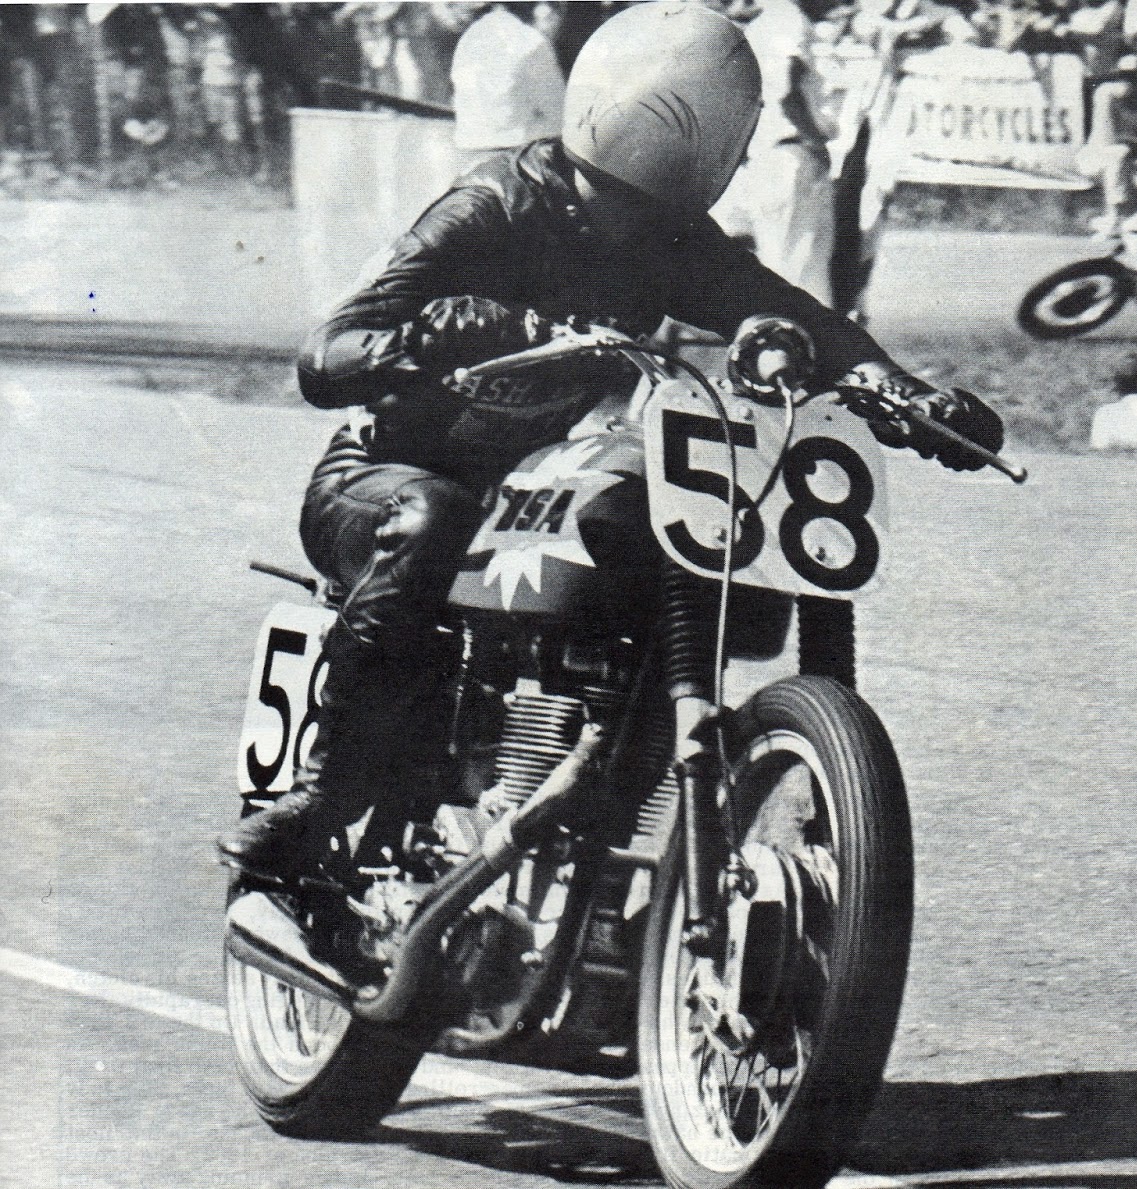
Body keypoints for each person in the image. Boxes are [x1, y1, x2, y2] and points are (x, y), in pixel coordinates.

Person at [217, 2, 1004, 879]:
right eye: (609, 202)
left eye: (639, 210)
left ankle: (611, 786)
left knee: (654, 535)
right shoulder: (489, 207)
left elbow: (799, 320)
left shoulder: (669, 237)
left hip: (529, 480)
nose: (620, 225)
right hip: (387, 472)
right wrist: (419, 342)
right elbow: (325, 355)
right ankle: (325, 795)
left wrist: (905, 394)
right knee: (430, 514)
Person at [711, 0, 837, 305]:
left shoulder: (761, 24)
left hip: (766, 156)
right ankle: (796, 345)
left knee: (783, 262)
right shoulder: (788, 19)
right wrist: (816, 140)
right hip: (789, 155)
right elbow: (785, 90)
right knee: (797, 268)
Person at [450, 2, 566, 167]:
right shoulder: (529, 40)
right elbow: (559, 115)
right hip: (515, 159)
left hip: (467, 156)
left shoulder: (469, 38)